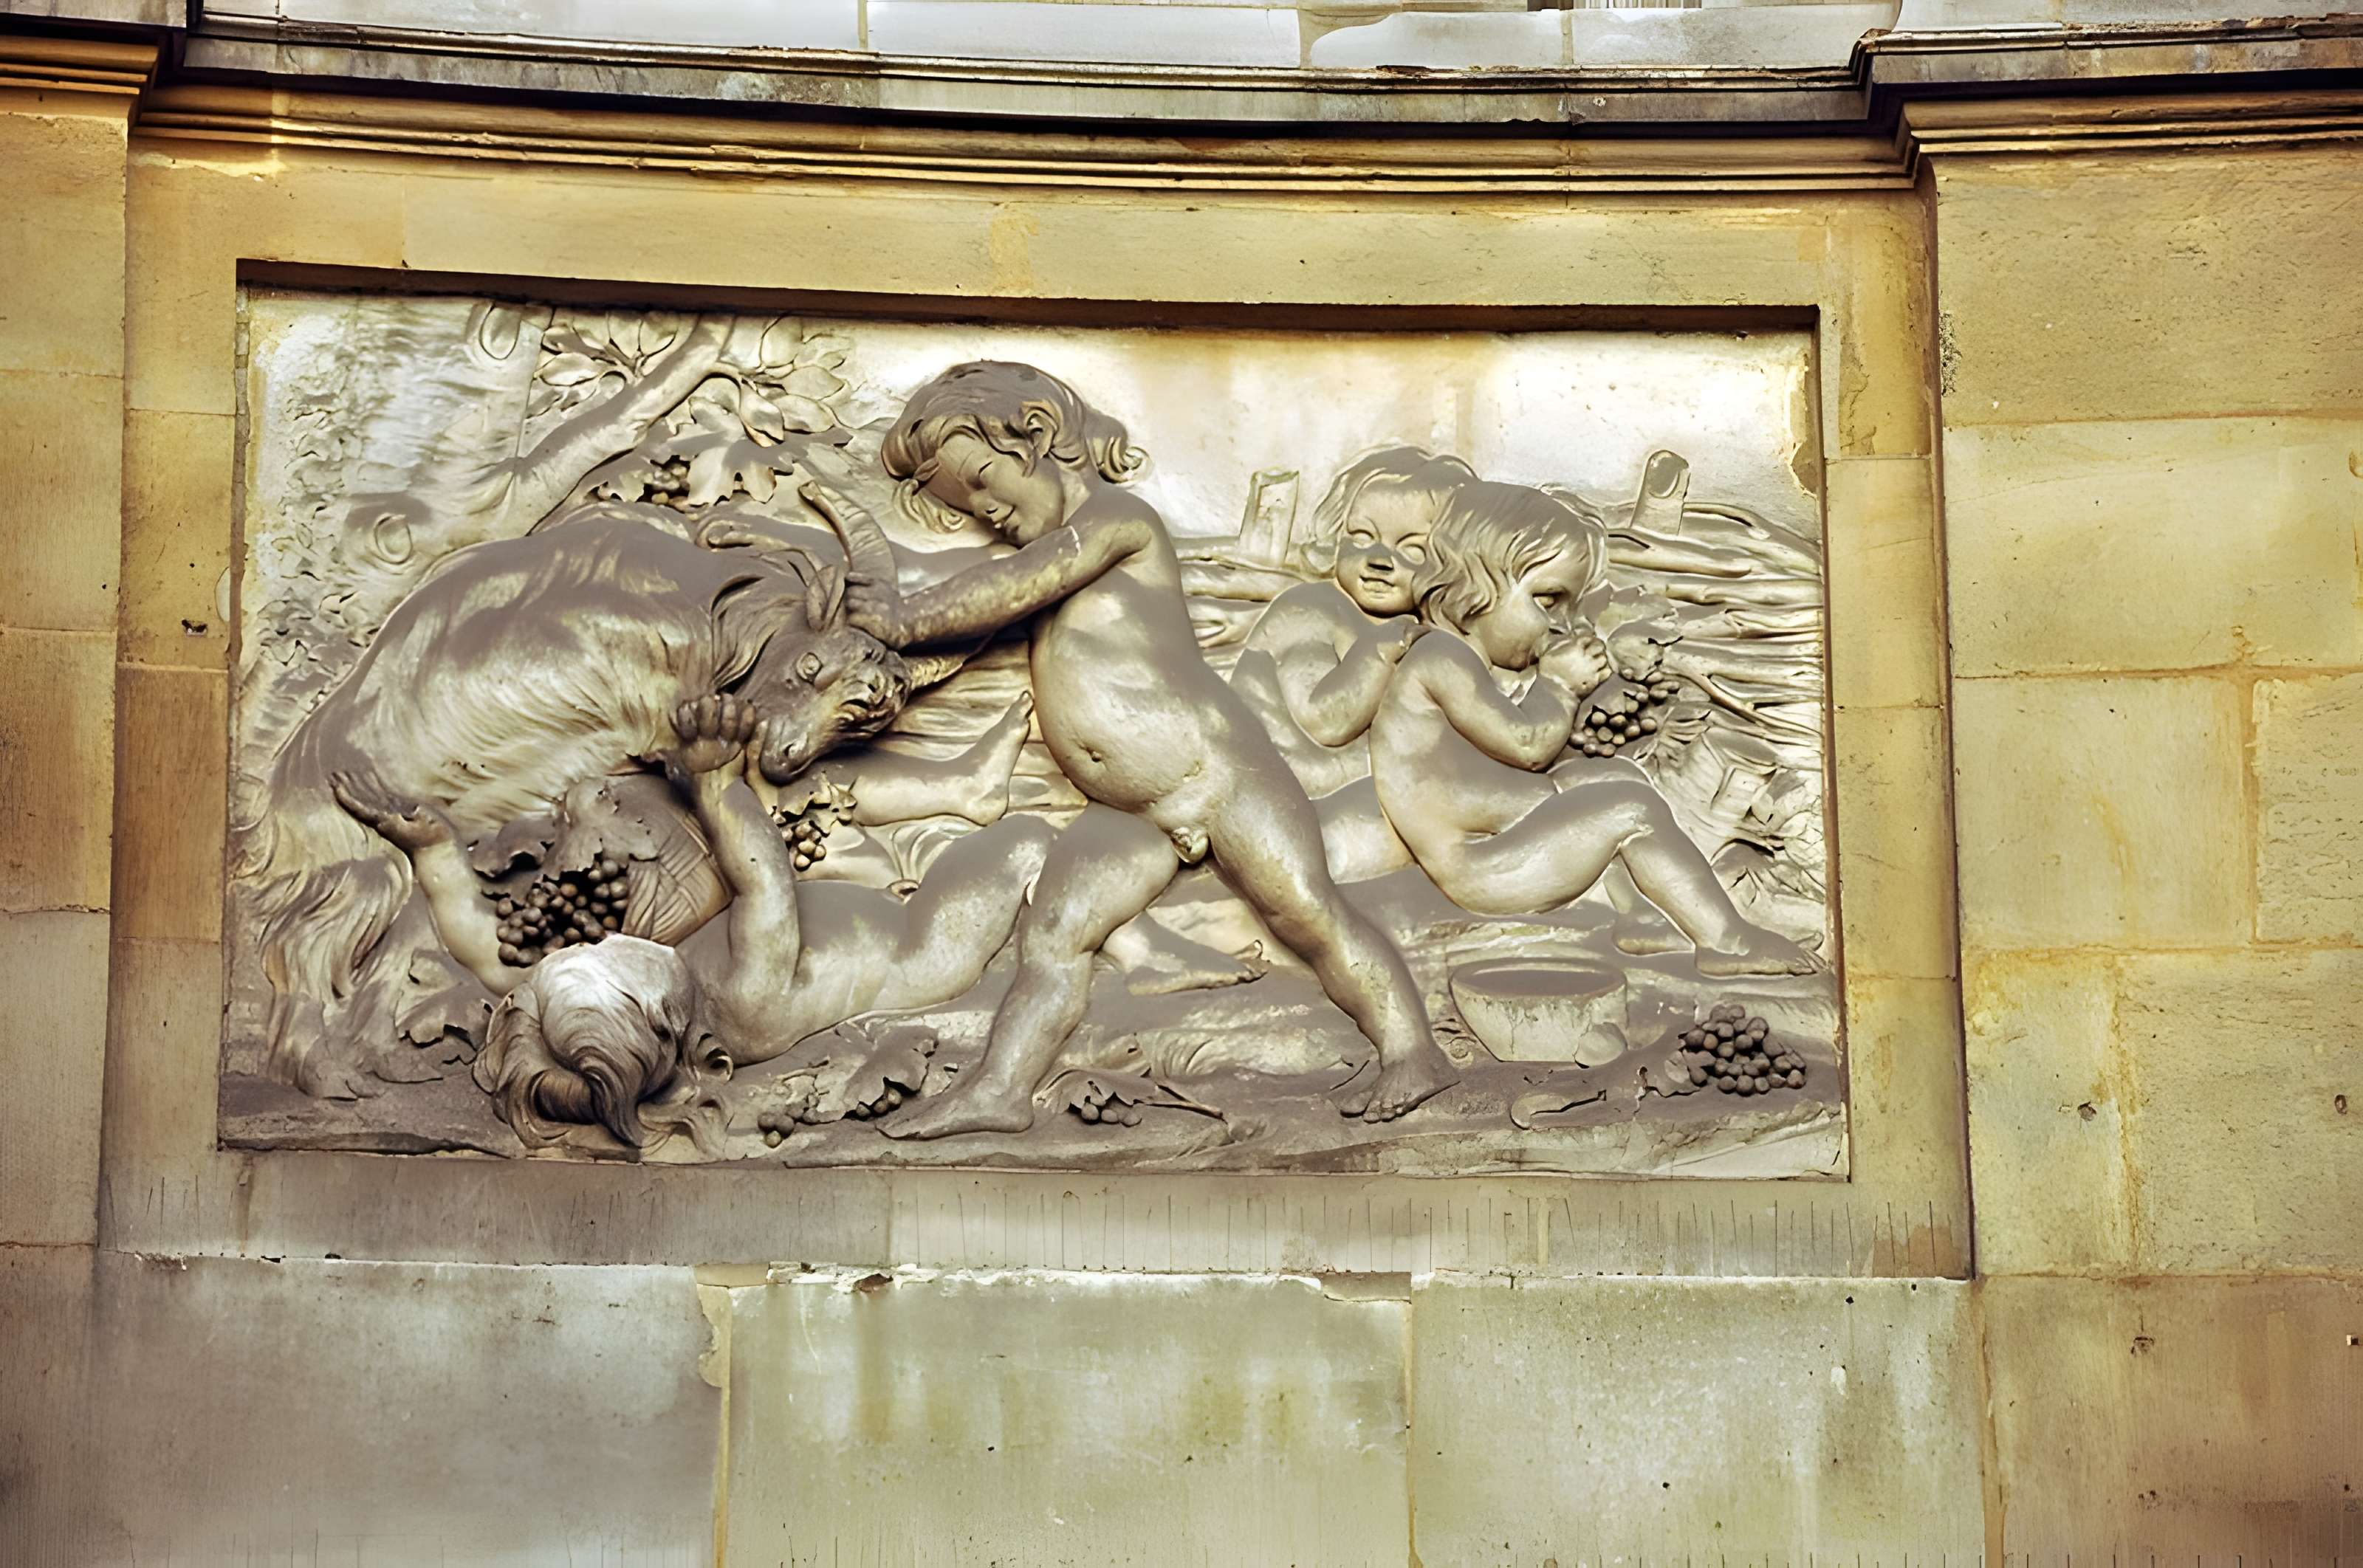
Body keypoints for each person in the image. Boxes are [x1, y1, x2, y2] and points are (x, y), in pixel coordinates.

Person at [803, 360, 1458, 1135]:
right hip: (1130, 810)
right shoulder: (1044, 559)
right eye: (964, 507)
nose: (985, 512)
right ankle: (1002, 1089)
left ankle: (1411, 1050)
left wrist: (905, 618)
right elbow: (984, 613)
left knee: (1307, 912)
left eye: (983, 480)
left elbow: (1009, 587)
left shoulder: (1116, 525)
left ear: (1037, 436)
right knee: (1054, 933)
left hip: (1219, 779)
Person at [329, 695, 1057, 1152]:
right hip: (922, 943)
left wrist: (432, 852)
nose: (600, 941)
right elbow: (763, 880)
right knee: (1022, 844)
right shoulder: (743, 998)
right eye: (609, 959)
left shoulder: (638, 985)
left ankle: (958, 797)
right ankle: (1106, 924)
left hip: (855, 908)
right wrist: (715, 784)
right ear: (659, 1020)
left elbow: (489, 961)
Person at [1368, 480, 1819, 975]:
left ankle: (1644, 916)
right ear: (1474, 589)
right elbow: (1528, 747)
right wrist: (1559, 688)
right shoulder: (1442, 660)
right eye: (1549, 600)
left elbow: (1483, 779)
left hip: (1492, 843)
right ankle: (1727, 945)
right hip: (1481, 871)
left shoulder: (1459, 661)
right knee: (1631, 810)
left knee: (1611, 780)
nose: (1563, 624)